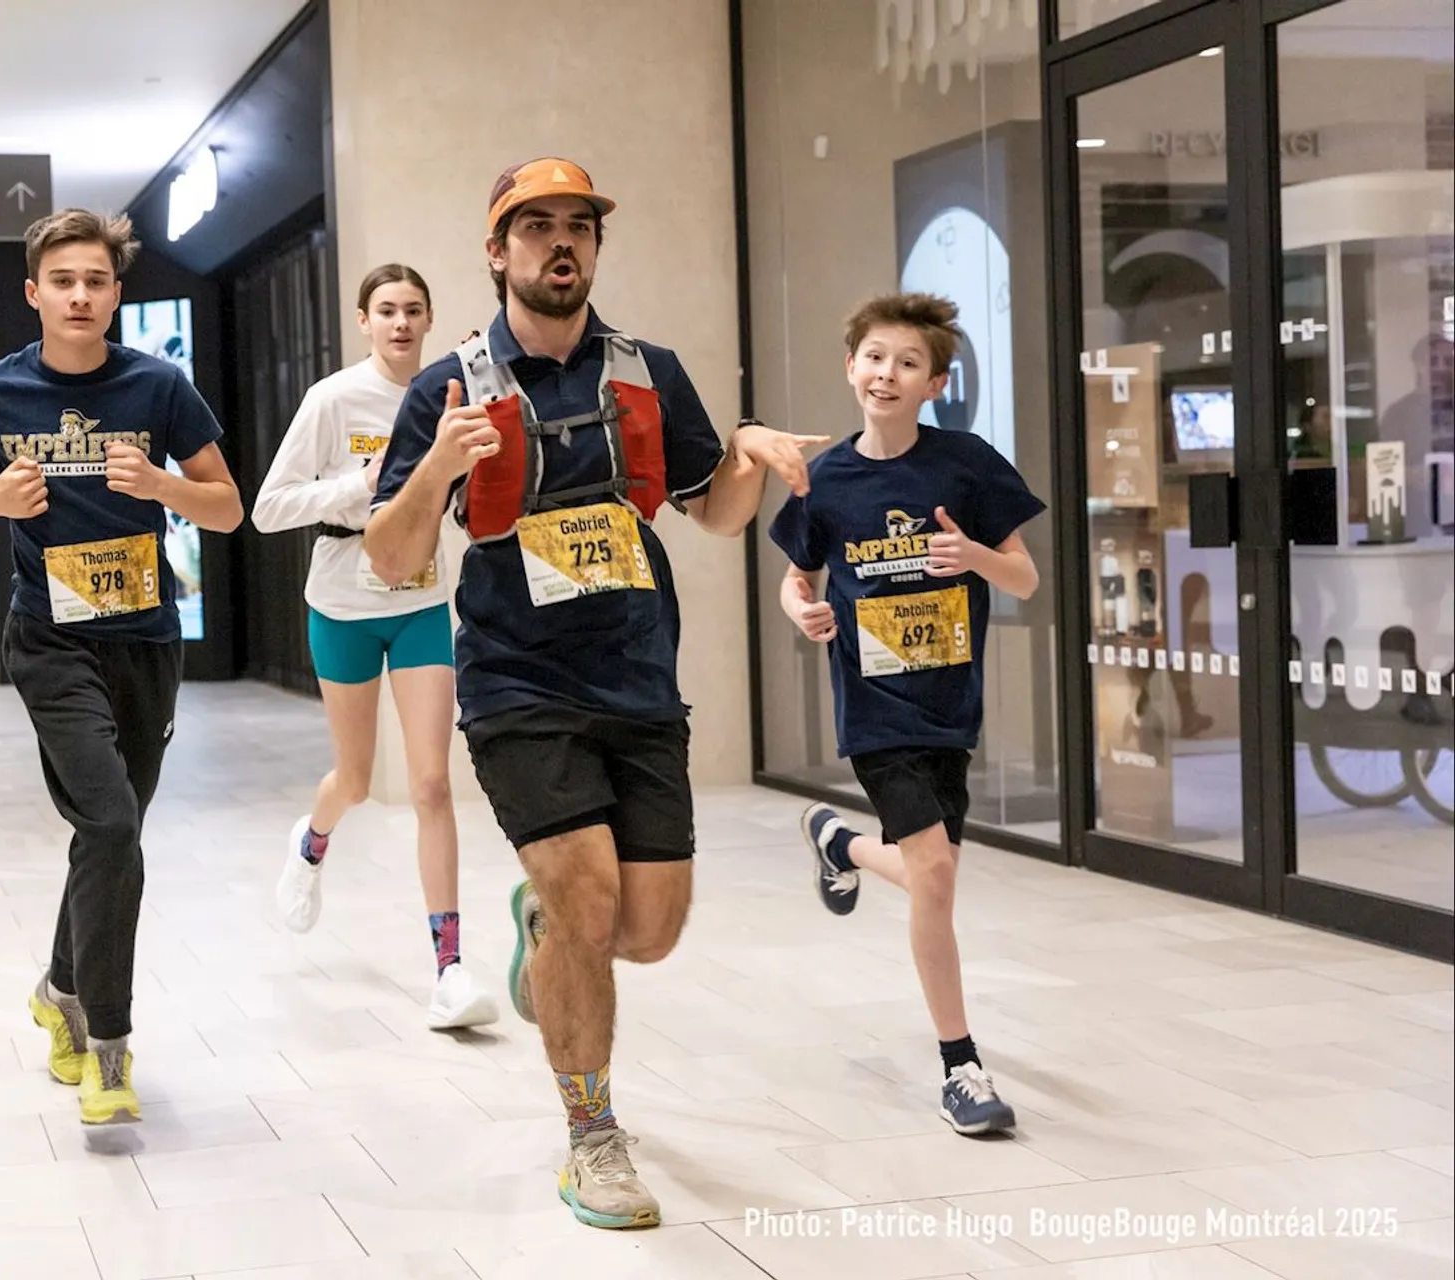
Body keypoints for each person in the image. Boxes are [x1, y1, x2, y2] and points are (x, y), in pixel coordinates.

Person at [363, 158, 823, 1229]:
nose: (559, 244)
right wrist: (436, 466)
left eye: (579, 227)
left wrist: (748, 454)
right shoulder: (451, 383)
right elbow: (390, 558)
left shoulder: (647, 371)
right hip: (517, 681)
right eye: (535, 227)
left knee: (648, 926)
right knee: (585, 895)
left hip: (637, 674)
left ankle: (550, 929)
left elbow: (709, 510)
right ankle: (592, 1135)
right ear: (497, 250)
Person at [0, 208, 242, 1126]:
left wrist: (164, 487)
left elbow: (228, 509)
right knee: (109, 819)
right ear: (34, 295)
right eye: (64, 282)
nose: (81, 296)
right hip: (49, 640)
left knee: (113, 833)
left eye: (96, 281)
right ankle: (108, 1046)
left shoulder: (159, 387)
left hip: (144, 638)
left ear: (115, 293)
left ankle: (58, 987)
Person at [768, 292, 1045, 1137]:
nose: (888, 373)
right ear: (851, 367)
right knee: (936, 873)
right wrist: (800, 612)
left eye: (908, 363)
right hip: (875, 706)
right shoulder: (825, 480)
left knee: (933, 873)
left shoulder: (966, 464)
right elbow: (797, 578)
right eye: (875, 358)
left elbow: (1027, 579)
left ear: (937, 383)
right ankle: (960, 1066)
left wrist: (975, 556)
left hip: (949, 705)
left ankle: (839, 842)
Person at [253, 263, 498, 1032]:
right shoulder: (332, 399)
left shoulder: (446, 398)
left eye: (413, 311)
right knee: (355, 780)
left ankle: (450, 969)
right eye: (386, 310)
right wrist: (354, 490)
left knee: (431, 784)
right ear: (364, 320)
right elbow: (267, 509)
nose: (400, 323)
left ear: (429, 321)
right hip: (342, 604)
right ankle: (312, 839)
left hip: (422, 601)